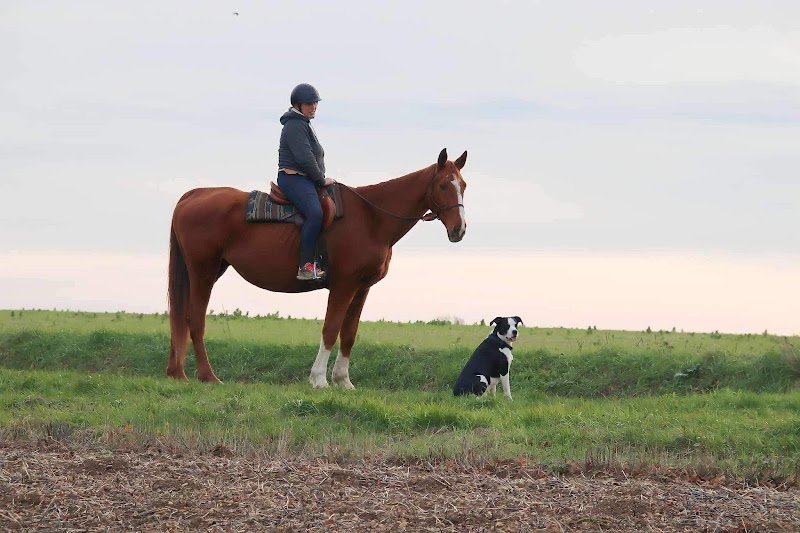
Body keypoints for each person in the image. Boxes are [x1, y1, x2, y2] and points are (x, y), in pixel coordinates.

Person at [277, 83, 335, 281]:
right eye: (309, 103)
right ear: (298, 105)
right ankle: (305, 266)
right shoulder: (295, 125)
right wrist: (321, 179)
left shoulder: (303, 124)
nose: (314, 107)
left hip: (305, 179)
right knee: (315, 214)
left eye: (315, 103)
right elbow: (304, 158)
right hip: (293, 178)